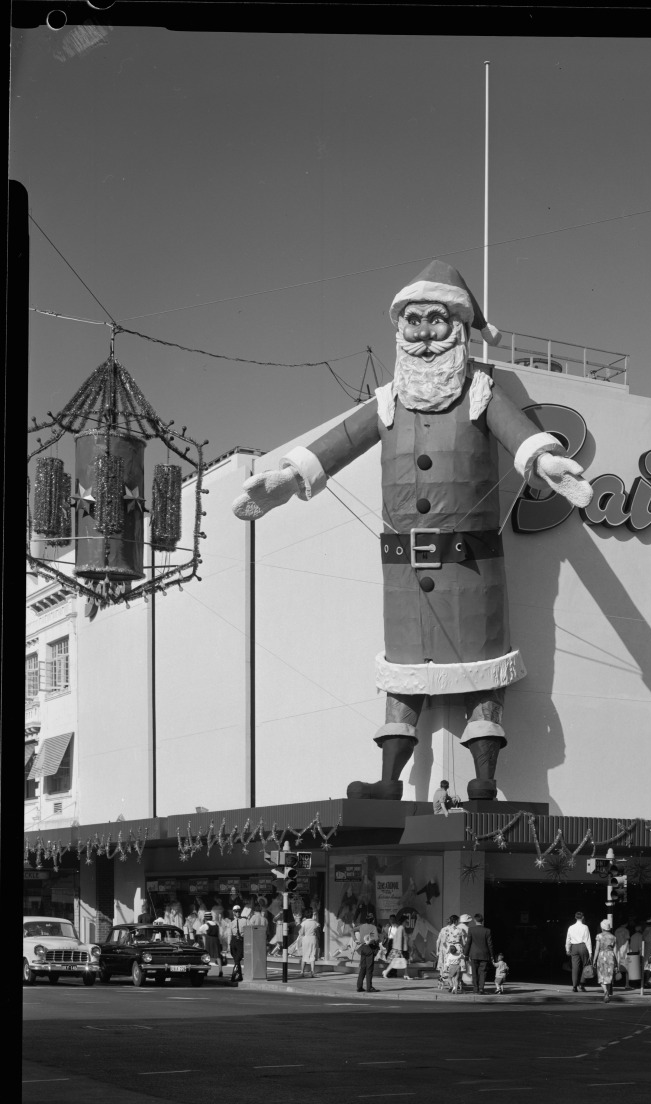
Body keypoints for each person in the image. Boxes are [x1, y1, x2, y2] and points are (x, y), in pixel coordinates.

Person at [232, 260, 593, 803]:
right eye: (413, 321)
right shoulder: (386, 401)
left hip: (473, 568)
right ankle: (388, 780)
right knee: (402, 672)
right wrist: (288, 476)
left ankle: (486, 780)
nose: (424, 335)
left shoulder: (481, 392)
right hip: (405, 570)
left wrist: (545, 460)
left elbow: (522, 437)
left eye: (436, 320)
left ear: (461, 328)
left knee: (482, 668)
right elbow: (340, 442)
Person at [464, 912, 495, 994]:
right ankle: (481, 988)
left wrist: (465, 954)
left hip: (473, 954)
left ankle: (475, 988)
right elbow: (490, 944)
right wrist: (492, 955)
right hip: (484, 954)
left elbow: (468, 943)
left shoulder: (471, 930)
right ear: (482, 920)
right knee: (483, 972)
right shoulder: (487, 931)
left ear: (475, 920)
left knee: (474, 972)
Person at [565, 911, 593, 993]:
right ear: (583, 917)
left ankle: (574, 986)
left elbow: (568, 939)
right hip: (583, 946)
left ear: (575, 917)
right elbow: (588, 940)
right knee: (585, 965)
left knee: (575, 967)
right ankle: (581, 983)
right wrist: (590, 952)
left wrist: (567, 949)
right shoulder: (585, 927)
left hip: (574, 947)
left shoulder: (570, 927)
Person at [593, 917, 618, 1002]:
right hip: (610, 956)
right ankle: (607, 993)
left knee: (601, 975)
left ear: (602, 927)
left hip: (601, 955)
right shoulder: (613, 937)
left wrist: (594, 959)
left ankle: (606, 992)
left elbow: (597, 949)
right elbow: (615, 951)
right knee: (609, 975)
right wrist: (617, 962)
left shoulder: (599, 936)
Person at [382, 914, 410, 980]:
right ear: (403, 922)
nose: (407, 923)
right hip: (399, 949)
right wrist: (400, 950)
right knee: (397, 961)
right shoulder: (401, 928)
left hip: (400, 948)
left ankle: (406, 974)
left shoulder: (401, 927)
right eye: (406, 921)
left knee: (403, 961)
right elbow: (400, 938)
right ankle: (386, 972)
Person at [434, 914, 458, 991]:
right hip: (448, 951)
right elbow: (444, 941)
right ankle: (450, 983)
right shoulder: (453, 930)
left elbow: (438, 941)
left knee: (442, 967)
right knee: (449, 967)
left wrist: (437, 951)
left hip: (442, 951)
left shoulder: (443, 929)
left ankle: (441, 982)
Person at [226, 904, 248, 983]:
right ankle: (240, 976)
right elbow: (229, 934)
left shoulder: (245, 921)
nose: (238, 913)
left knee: (238, 958)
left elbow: (249, 931)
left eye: (239, 911)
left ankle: (234, 974)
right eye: (236, 911)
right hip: (234, 941)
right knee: (236, 958)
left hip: (241, 941)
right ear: (233, 912)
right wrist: (228, 945)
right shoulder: (231, 922)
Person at [298, 907, 320, 979]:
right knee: (312, 955)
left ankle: (302, 972)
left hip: (306, 938)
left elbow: (301, 932)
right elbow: (317, 929)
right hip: (313, 938)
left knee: (305, 955)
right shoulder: (315, 923)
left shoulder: (303, 923)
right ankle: (312, 972)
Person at [200, 911, 223, 977]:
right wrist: (220, 943)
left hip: (209, 941)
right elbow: (219, 935)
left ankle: (205, 971)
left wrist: (204, 935)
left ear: (205, 918)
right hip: (216, 940)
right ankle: (220, 970)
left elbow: (200, 929)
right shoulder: (216, 925)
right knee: (218, 956)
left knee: (207, 956)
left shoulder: (205, 925)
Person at [627, 921, 645, 990]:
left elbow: (631, 945)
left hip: (632, 954)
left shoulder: (632, 936)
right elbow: (641, 946)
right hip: (639, 954)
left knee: (633, 969)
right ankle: (639, 983)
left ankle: (633, 983)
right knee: (639, 969)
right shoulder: (641, 936)